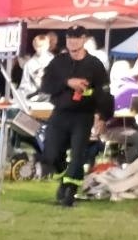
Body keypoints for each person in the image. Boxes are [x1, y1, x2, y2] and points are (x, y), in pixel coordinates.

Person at [37, 25, 111, 207]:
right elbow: (46, 85)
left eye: (76, 37)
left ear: (84, 39)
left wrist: (103, 116)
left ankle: (69, 192)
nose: (72, 41)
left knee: (78, 155)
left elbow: (104, 93)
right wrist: (67, 82)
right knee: (51, 153)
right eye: (69, 37)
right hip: (60, 114)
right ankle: (63, 179)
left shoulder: (94, 64)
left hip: (83, 115)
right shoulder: (58, 62)